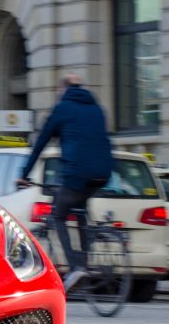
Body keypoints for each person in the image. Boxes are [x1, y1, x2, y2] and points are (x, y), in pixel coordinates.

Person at [16, 73, 114, 291]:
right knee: (80, 209)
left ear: (63, 89)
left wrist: (25, 172)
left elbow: (41, 142)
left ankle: (76, 267)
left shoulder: (63, 108)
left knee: (58, 214)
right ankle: (85, 263)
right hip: (104, 171)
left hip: (77, 171)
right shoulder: (97, 108)